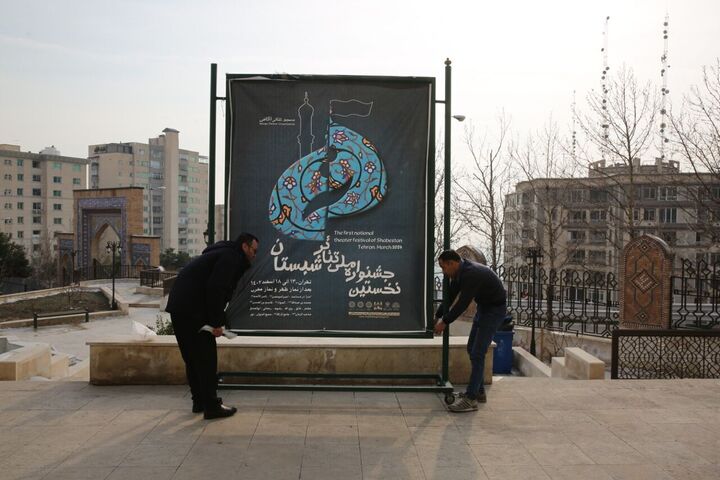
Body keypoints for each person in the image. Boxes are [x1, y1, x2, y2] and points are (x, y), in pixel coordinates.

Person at [166, 233, 259, 419]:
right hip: (193, 310)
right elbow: (216, 289)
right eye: (254, 250)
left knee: (193, 359)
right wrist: (216, 323)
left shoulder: (221, 253)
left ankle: (199, 401)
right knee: (206, 359)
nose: (254, 255)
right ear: (244, 247)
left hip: (180, 307)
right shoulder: (231, 258)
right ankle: (211, 406)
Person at [434, 249, 507, 412]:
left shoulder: (470, 274)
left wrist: (444, 322)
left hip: (494, 310)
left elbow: (462, 304)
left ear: (452, 263)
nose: (444, 272)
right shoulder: (459, 274)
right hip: (484, 308)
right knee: (471, 349)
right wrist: (437, 316)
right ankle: (479, 392)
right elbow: (450, 297)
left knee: (478, 353)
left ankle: (471, 398)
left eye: (444, 267)